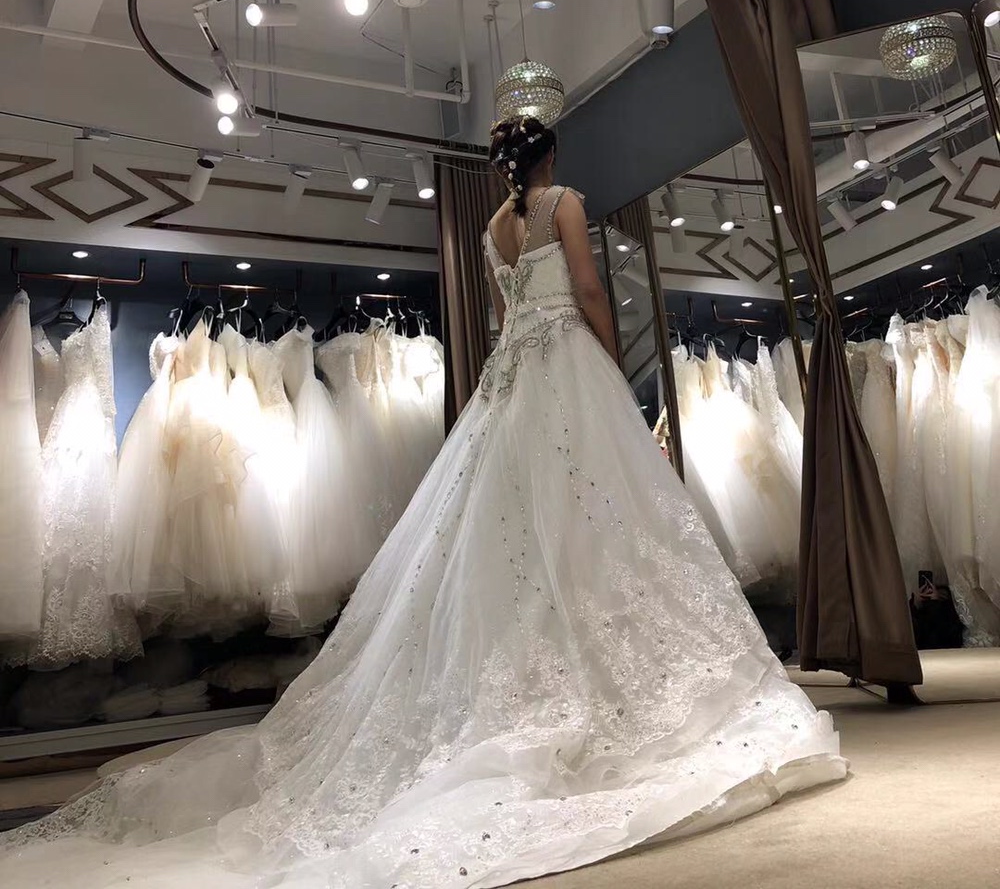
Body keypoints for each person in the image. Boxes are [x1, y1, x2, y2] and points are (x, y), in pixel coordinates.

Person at [1, 117, 846, 889]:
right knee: (596, 519)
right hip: (564, 367)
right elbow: (589, 291)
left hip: (511, 379)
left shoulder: (490, 228)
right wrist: (611, 359)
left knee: (516, 529)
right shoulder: (564, 203)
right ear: (549, 156)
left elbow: (502, 312)